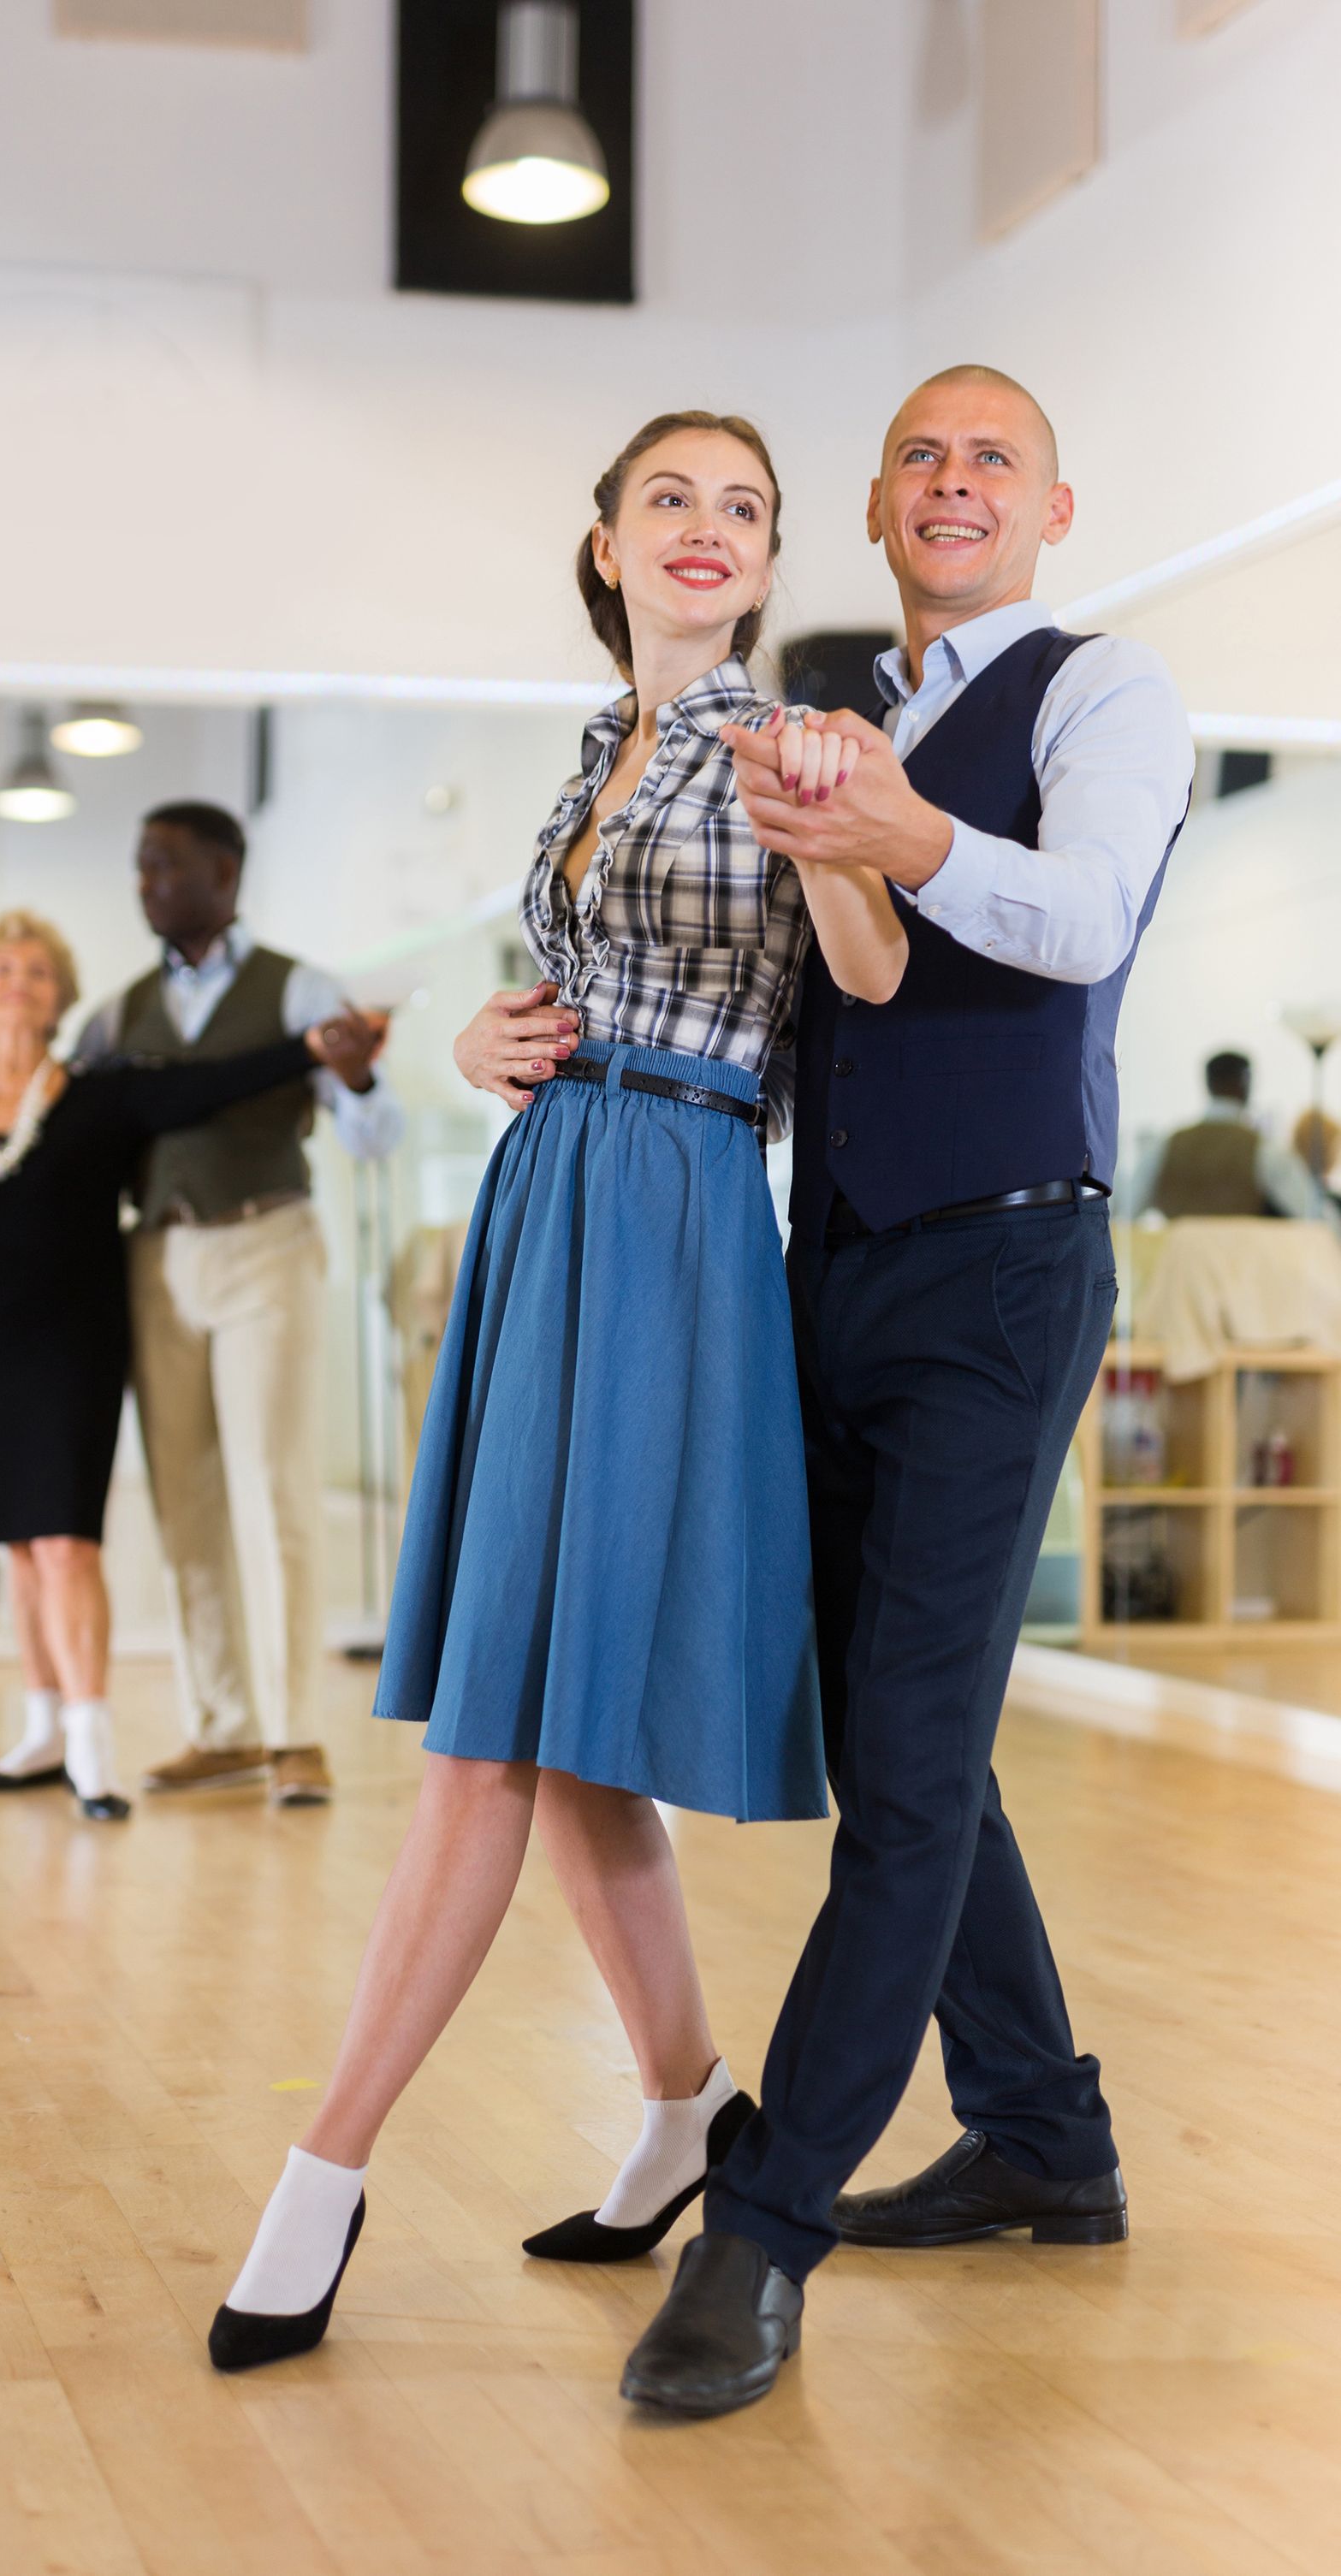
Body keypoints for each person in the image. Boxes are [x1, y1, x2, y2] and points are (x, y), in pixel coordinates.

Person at [209, 411, 907, 2376]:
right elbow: (560, 991)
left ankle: (324, 2173)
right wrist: (476, 1045)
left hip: (677, 1209)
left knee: (495, 1734)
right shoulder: (598, 745)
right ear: (605, 543)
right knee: (568, 1736)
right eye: (668, 499)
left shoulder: (789, 745)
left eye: (741, 508)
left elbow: (862, 980)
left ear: (767, 560)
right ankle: (688, 2105)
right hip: (556, 1192)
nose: (705, 528)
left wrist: (835, 828)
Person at [611, 365, 1196, 2418]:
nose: (954, 483)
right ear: (875, 509)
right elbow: (786, 994)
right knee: (893, 1736)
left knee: (918, 1757)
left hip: (1006, 1268)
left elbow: (1082, 915)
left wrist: (910, 833)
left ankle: (761, 2232)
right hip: (831, 1264)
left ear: (1051, 508)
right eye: (920, 458)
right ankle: (1039, 2131)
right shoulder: (844, 716)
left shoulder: (1102, 692)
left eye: (992, 459)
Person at [0, 909, 379, 1823]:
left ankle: (91, 1747)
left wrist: (310, 1046)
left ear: (60, 997)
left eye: (36, 971)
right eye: (1, 970)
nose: (17, 984)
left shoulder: (103, 1095)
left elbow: (215, 1083)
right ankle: (42, 1730)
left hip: (75, 1344)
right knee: (19, 1547)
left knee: (64, 1540)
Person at [75, 803, 403, 1810]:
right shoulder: (115, 1014)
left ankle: (296, 1732)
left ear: (224, 872)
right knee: (183, 1498)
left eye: (165, 865)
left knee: (273, 1488)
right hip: (157, 1258)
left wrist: (358, 1078)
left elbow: (376, 1135)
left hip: (267, 1244)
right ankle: (222, 1726)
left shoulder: (299, 987)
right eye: (140, 867)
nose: (147, 884)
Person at [1134, 1051, 1335, 1223]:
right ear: (1246, 1083)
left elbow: (1126, 1211)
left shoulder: (1166, 1146)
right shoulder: (1263, 1150)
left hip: (1176, 1258)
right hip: (1241, 1257)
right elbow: (1315, 1216)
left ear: (1208, 1083)